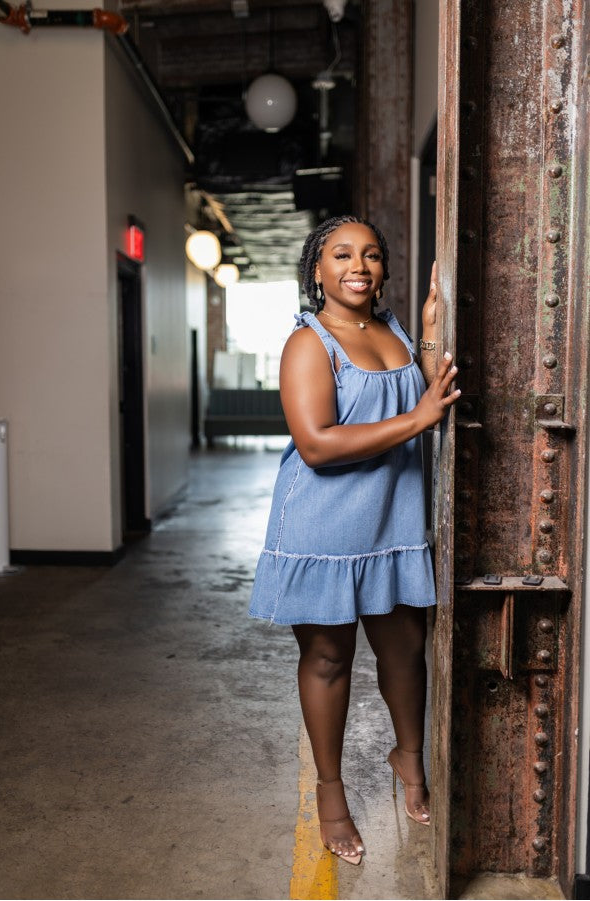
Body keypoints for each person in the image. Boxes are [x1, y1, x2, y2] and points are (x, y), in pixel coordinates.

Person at [249, 215, 460, 865]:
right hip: (325, 525)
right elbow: (316, 443)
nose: (358, 266)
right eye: (341, 254)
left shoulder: (390, 327)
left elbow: (426, 394)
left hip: (391, 521)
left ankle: (409, 757)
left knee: (406, 648)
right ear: (317, 269)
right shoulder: (309, 343)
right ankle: (332, 796)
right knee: (329, 660)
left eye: (370, 254)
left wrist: (427, 334)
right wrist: (418, 419)